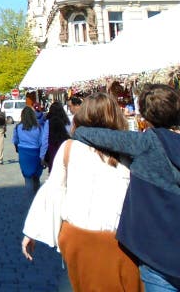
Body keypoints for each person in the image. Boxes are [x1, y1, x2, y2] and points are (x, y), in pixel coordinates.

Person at [22, 92, 138, 291]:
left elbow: (52, 189)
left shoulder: (70, 147)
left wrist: (31, 232)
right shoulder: (131, 149)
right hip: (119, 239)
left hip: (79, 237)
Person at [73, 84, 180, 291]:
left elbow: (89, 135)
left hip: (157, 255)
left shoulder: (145, 143)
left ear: (145, 116)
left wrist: (81, 124)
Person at [13, 106, 43, 192]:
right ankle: (37, 195)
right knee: (36, 176)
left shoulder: (18, 127)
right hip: (36, 152)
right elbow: (41, 142)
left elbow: (15, 140)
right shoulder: (38, 127)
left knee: (27, 177)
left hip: (23, 152)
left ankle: (29, 198)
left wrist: (17, 149)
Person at [40, 102, 71, 172]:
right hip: (66, 150)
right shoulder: (67, 122)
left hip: (53, 151)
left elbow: (45, 140)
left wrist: (42, 156)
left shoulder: (48, 122)